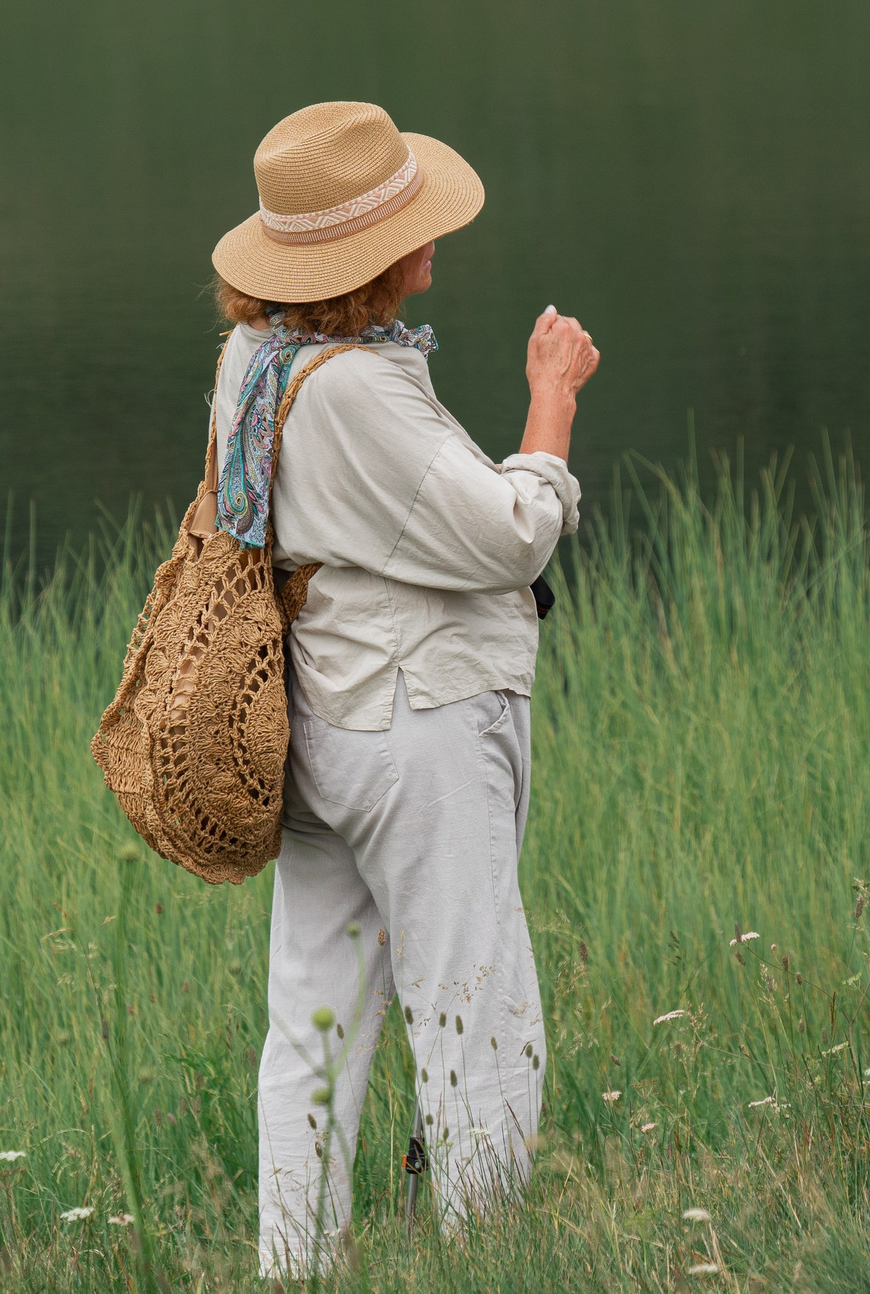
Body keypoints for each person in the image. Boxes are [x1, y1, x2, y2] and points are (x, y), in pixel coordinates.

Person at [208, 101, 601, 1272]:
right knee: (472, 1001)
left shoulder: (254, 359)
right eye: (411, 222)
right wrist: (552, 400)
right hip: (416, 725)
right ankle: (484, 1261)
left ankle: (296, 1266)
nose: (436, 236)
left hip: (319, 721)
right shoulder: (356, 389)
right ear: (363, 258)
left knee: (314, 1022)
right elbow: (511, 536)